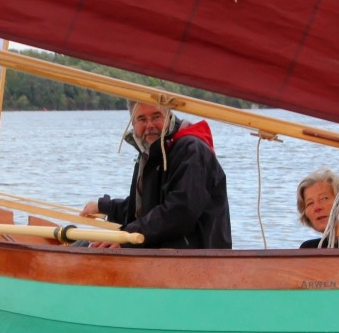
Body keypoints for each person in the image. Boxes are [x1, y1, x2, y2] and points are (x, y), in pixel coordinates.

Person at [79, 101, 232, 249]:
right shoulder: (151, 152)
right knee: (84, 244)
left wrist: (126, 238)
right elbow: (144, 208)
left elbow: (180, 213)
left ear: (169, 116)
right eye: (142, 119)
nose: (150, 125)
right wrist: (104, 207)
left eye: (156, 116)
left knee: (90, 252)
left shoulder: (191, 150)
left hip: (194, 258)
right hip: (160, 249)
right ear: (133, 124)